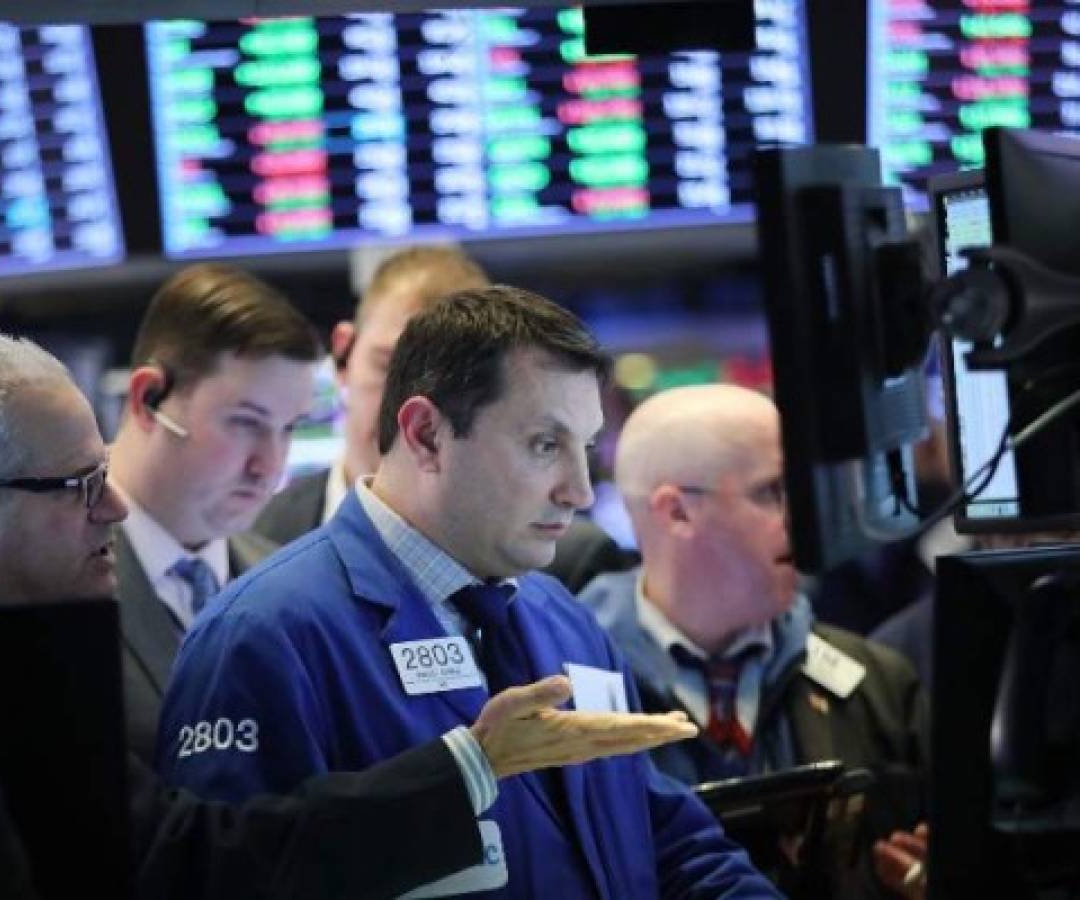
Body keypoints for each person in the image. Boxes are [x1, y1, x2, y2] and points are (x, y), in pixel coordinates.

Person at [0, 331, 694, 900]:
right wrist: (471, 767)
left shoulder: (555, 612)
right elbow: (198, 868)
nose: (116, 508)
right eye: (81, 486)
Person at [159, 286, 779, 897]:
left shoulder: (563, 616)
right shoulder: (265, 635)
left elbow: (666, 841)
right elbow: (226, 877)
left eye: (585, 448)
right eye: (545, 445)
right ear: (428, 434)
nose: (580, 490)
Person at [578, 384, 929, 894]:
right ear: (676, 512)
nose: (803, 522)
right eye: (772, 493)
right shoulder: (566, 700)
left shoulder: (877, 682)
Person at [252, 244, 627, 593]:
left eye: (453, 380)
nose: (406, 397)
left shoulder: (569, 566)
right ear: (343, 354)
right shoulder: (254, 529)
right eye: (389, 365)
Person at [108, 263, 320, 759]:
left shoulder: (288, 582)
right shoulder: (48, 575)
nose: (269, 467)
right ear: (147, 398)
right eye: (246, 423)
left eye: (288, 429)